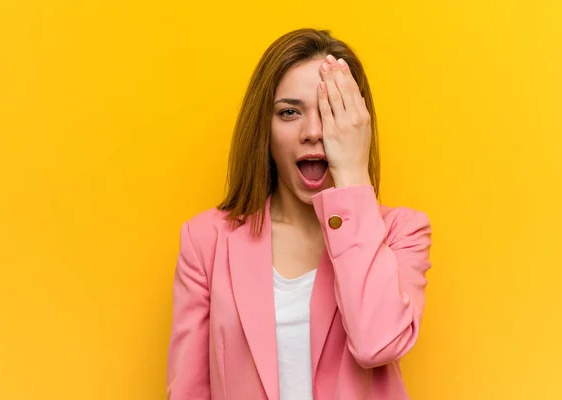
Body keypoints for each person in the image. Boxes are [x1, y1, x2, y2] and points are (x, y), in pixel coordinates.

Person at [166, 28, 433, 400]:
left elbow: (378, 344)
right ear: (265, 128)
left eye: (330, 112)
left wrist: (353, 176)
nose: (312, 132)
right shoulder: (206, 241)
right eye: (289, 112)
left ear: (358, 126)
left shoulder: (402, 232)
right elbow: (188, 392)